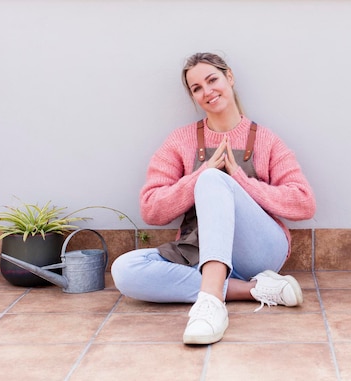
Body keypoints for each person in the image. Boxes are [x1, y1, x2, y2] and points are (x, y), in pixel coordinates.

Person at [111, 52, 316, 345]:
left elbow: (304, 201)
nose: (207, 91)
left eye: (212, 80)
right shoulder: (180, 141)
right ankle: (253, 290)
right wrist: (199, 174)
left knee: (212, 179)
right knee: (124, 271)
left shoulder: (265, 140)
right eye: (197, 88)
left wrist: (241, 181)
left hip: (259, 252)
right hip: (197, 252)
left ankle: (210, 305)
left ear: (229, 77)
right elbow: (151, 209)